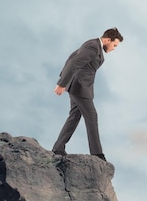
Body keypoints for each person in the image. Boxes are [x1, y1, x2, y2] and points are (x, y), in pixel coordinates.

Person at [52, 27, 123, 161]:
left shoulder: (93, 45)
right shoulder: (93, 47)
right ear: (108, 40)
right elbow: (73, 62)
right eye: (114, 45)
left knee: (74, 116)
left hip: (78, 87)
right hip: (80, 88)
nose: (114, 48)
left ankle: (58, 148)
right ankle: (97, 154)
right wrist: (62, 83)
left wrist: (65, 82)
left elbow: (72, 57)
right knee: (91, 116)